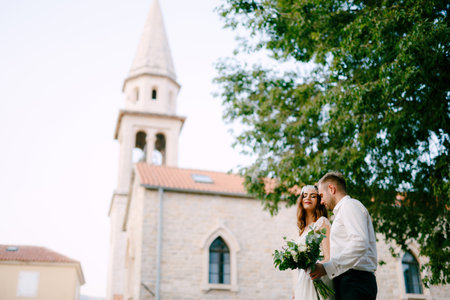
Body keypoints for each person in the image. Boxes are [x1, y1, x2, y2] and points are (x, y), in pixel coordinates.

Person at [310, 172, 378, 300]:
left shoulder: (350, 206)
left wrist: (327, 268)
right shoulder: (342, 211)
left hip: (356, 281)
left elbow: (360, 243)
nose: (321, 201)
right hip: (348, 281)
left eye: (321, 196)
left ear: (331, 189)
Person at [294, 185, 334, 300]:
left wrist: (315, 266)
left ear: (319, 201)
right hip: (303, 279)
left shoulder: (322, 223)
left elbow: (329, 257)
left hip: (319, 277)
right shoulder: (302, 230)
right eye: (305, 195)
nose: (308, 198)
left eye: (313, 196)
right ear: (301, 200)